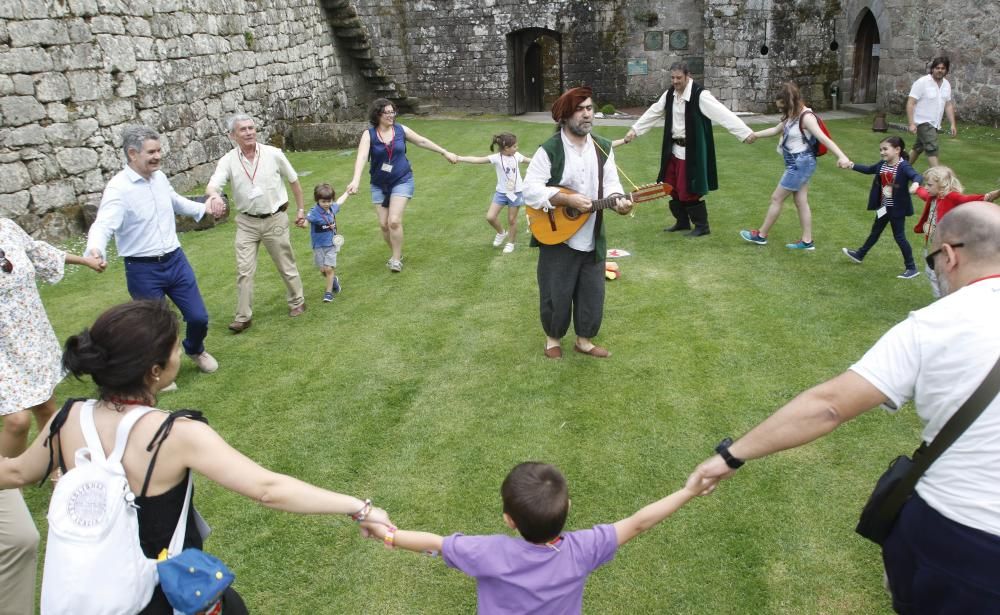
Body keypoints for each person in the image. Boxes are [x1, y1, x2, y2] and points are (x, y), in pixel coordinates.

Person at [692, 202, 1000, 613]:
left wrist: (731, 456)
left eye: (934, 260)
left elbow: (830, 406)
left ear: (950, 254)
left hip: (964, 537)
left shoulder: (936, 323)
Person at [0, 300, 394, 614]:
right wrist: (359, 507)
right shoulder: (174, 433)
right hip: (167, 594)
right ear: (155, 371)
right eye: (175, 348)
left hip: (94, 593)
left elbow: (16, 470)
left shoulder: (66, 419)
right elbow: (268, 488)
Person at [359, 462, 711, 614]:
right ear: (569, 507)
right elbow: (638, 523)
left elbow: (434, 542)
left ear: (508, 520)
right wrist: (688, 491)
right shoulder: (584, 549)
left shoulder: (487, 552)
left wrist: (388, 535)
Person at [0, 218, 103, 615]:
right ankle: (9, 489)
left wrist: (86, 260)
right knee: (16, 421)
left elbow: (41, 254)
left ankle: (60, 466)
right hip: (2, 347)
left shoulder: (7, 228)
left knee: (47, 408)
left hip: (31, 335)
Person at [87, 125, 225, 384]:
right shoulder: (119, 189)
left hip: (175, 260)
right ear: (132, 154)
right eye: (151, 152)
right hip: (142, 269)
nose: (158, 156)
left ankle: (195, 349)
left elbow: (174, 201)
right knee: (155, 326)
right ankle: (161, 370)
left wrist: (203, 208)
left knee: (198, 316)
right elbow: (104, 224)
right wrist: (95, 248)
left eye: (159, 150)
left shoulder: (159, 178)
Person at [522, 86, 633, 359]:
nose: (587, 114)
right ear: (565, 116)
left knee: (592, 292)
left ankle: (583, 340)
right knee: (555, 291)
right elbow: (530, 189)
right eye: (580, 109)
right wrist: (565, 200)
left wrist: (619, 201)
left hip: (592, 234)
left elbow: (612, 184)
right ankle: (552, 338)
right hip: (557, 233)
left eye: (590, 108)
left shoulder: (602, 147)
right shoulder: (550, 150)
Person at [623, 62, 756, 236]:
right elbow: (654, 112)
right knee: (671, 186)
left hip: (691, 152)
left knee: (688, 189)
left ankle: (702, 226)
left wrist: (745, 133)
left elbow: (722, 114)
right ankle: (682, 222)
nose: (675, 81)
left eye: (679, 78)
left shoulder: (700, 95)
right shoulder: (670, 94)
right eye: (672, 78)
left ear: (688, 76)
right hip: (673, 150)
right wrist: (635, 130)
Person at [206, 114, 307, 333]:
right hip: (246, 223)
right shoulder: (228, 160)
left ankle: (297, 301)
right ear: (233, 135)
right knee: (244, 270)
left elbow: (294, 181)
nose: (249, 132)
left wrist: (300, 209)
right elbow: (213, 185)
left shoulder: (273, 153)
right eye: (242, 129)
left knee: (285, 264)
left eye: (251, 128)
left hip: (275, 218)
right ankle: (243, 317)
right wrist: (214, 196)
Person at [345, 98, 458, 272]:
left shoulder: (401, 130)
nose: (391, 115)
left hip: (402, 180)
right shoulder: (369, 135)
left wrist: (444, 152)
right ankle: (396, 252)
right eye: (387, 112)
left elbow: (421, 141)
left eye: (393, 112)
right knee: (384, 224)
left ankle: (396, 260)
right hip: (379, 184)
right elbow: (361, 157)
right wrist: (356, 179)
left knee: (394, 221)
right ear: (378, 115)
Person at [738, 82, 852, 250]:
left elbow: (824, 139)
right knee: (801, 202)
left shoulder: (806, 117)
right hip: (796, 163)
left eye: (781, 107)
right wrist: (754, 135)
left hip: (801, 163)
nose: (780, 111)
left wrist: (842, 156)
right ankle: (807, 242)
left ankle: (761, 235)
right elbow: (776, 129)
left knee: (777, 198)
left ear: (789, 101)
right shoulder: (791, 115)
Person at [840, 136, 924, 279]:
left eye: (885, 149)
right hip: (884, 207)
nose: (882, 152)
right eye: (880, 149)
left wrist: (916, 184)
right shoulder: (882, 164)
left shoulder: (903, 166)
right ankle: (860, 254)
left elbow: (916, 176)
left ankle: (911, 268)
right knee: (875, 232)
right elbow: (869, 169)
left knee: (900, 237)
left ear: (897, 150)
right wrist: (851, 165)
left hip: (897, 209)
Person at [911, 166, 999, 296]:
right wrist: (917, 189)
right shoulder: (933, 197)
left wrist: (990, 196)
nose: (926, 187)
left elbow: (967, 200)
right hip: (931, 244)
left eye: (929, 185)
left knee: (940, 275)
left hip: (944, 247)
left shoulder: (952, 197)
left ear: (942, 185)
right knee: (930, 272)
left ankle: (943, 300)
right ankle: (942, 297)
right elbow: (924, 194)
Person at [455, 132, 532, 254]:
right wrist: (460, 158)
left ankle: (510, 243)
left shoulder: (517, 155)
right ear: (506, 148)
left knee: (512, 220)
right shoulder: (496, 158)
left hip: (516, 193)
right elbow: (477, 160)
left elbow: (529, 160)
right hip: (501, 193)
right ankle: (501, 233)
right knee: (490, 217)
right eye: (515, 146)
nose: (517, 148)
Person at [907, 57, 957, 168]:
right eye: (937, 68)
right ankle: (938, 178)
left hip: (935, 124)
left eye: (943, 68)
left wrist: (952, 124)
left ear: (946, 70)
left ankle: (899, 172)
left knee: (918, 148)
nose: (940, 70)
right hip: (923, 122)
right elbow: (911, 103)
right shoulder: (922, 82)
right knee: (932, 147)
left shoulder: (946, 85)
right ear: (932, 69)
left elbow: (948, 105)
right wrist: (911, 123)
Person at [304, 183, 350, 302]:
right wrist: (301, 222)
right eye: (324, 201)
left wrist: (347, 192)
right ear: (317, 200)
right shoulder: (314, 212)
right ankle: (334, 281)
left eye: (329, 201)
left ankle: (328, 293)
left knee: (329, 269)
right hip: (318, 247)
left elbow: (339, 202)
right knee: (323, 271)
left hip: (331, 245)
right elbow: (305, 222)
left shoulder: (331, 208)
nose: (327, 204)